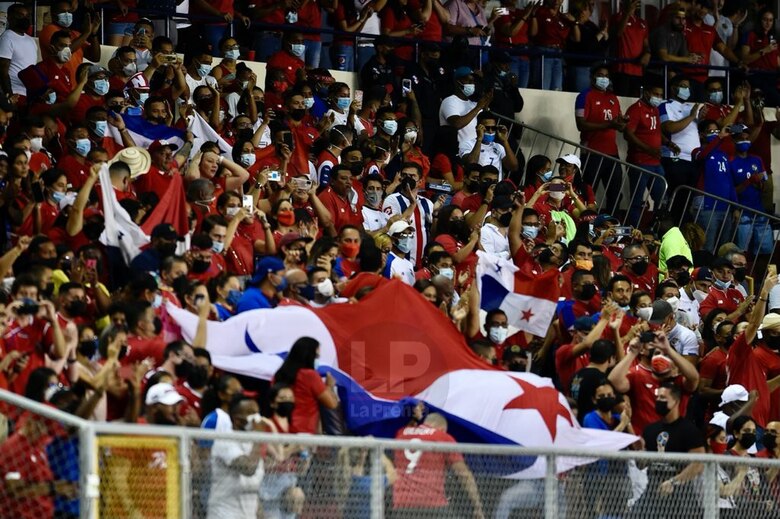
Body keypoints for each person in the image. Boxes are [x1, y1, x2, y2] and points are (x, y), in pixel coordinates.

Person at [392, 413, 485, 519]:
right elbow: (464, 475)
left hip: (402, 503)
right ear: (441, 428)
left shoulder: (401, 433)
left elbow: (412, 430)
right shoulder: (443, 437)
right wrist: (477, 506)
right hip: (432, 503)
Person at [633, 381, 705, 518]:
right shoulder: (650, 429)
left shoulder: (689, 430)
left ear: (676, 401)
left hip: (681, 494)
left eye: (663, 398)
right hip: (653, 490)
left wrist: (674, 482)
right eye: (658, 398)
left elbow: (698, 464)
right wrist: (640, 451)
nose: (658, 401)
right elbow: (642, 464)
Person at [206, 394, 268, 519]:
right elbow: (248, 468)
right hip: (224, 513)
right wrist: (258, 437)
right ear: (237, 419)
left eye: (257, 412)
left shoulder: (253, 444)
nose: (257, 418)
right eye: (251, 413)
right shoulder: (225, 440)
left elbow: (253, 489)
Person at [272, 337, 338, 434]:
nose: (317, 360)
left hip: (280, 428)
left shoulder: (279, 374)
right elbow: (332, 404)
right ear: (309, 356)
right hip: (303, 431)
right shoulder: (310, 375)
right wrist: (329, 386)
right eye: (316, 356)